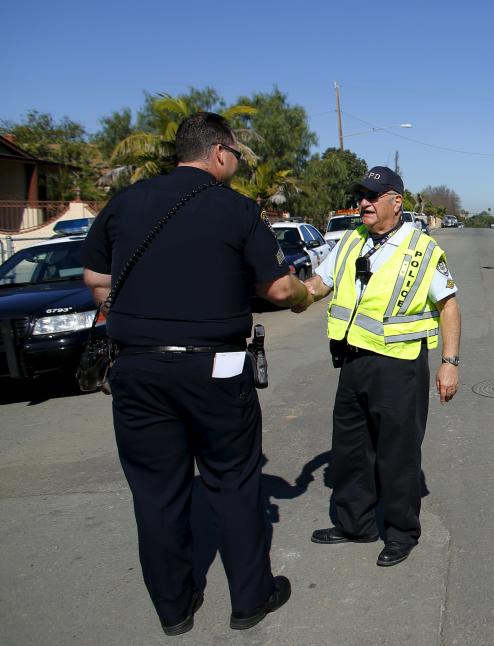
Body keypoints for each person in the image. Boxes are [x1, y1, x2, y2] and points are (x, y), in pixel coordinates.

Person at [81, 112, 312, 635]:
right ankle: (250, 598)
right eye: (234, 154)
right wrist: (307, 293)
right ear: (220, 154)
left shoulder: (126, 203)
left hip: (137, 369)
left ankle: (174, 607)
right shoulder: (234, 209)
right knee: (232, 481)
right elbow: (278, 289)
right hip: (215, 367)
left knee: (156, 493)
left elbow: (95, 276)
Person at [295, 166, 461, 567]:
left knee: (397, 454)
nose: (363, 203)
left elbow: (449, 306)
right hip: (353, 362)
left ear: (396, 202)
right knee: (351, 450)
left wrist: (449, 363)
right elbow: (318, 286)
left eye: (372, 196)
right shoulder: (351, 241)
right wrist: (289, 291)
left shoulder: (422, 249)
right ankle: (357, 524)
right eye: (361, 196)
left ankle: (402, 533)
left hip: (399, 367)